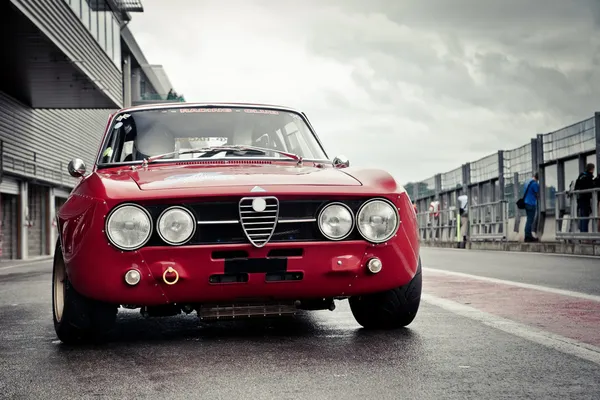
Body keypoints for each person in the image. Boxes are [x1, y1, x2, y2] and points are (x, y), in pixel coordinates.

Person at [574, 163, 596, 233]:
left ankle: (582, 233)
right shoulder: (588, 177)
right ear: (592, 169)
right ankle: (584, 234)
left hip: (580, 199)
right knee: (585, 216)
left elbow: (576, 186)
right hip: (585, 199)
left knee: (582, 216)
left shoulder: (581, 176)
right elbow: (590, 187)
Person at [523, 172, 539, 242]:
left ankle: (527, 236)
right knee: (530, 220)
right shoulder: (535, 184)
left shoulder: (527, 182)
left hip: (526, 203)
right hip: (531, 204)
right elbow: (537, 194)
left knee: (528, 220)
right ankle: (528, 237)